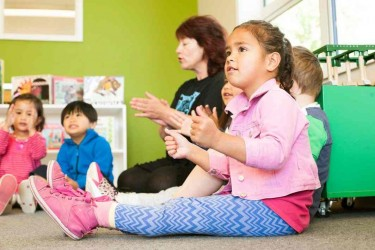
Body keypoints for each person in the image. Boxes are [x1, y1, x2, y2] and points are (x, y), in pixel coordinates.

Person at [29, 20, 320, 239]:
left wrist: (216, 138)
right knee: (179, 201)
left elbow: (273, 155)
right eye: (230, 50)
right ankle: (96, 202)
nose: (230, 57)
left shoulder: (279, 101)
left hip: (279, 209)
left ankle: (89, 214)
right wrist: (193, 149)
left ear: (272, 61)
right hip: (254, 198)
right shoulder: (245, 107)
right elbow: (230, 165)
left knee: (181, 212)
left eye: (242, 50)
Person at [85, 80, 242, 205]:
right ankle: (116, 200)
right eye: (226, 82)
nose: (227, 86)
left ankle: (116, 201)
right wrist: (169, 125)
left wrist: (197, 141)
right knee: (166, 195)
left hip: (218, 182)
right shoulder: (187, 88)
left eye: (235, 83)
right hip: (210, 173)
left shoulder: (241, 122)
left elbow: (224, 163)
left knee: (168, 197)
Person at [117, 15, 227, 193]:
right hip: (174, 158)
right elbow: (167, 136)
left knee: (159, 183)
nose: (178, 50)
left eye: (185, 44)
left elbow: (207, 130)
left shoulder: (221, 82)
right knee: (126, 178)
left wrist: (166, 113)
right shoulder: (186, 87)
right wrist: (165, 123)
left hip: (197, 161)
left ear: (206, 43)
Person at [290, 46, 332, 218]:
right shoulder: (302, 116)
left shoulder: (312, 120)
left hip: (301, 205)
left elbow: (302, 167)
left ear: (294, 86)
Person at [0, 93, 46, 214]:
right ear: (10, 115)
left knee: (42, 176)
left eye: (29, 114)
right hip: (5, 186)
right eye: (18, 113)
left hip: (26, 188)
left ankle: (26, 200)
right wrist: (6, 125)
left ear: (38, 119)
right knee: (3, 190)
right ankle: (7, 201)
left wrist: (32, 131)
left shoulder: (37, 138)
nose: (23, 117)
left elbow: (39, 154)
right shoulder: (5, 136)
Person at [55, 101, 114, 190]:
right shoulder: (65, 147)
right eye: (67, 116)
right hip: (72, 189)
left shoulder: (101, 144)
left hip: (98, 188)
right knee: (44, 172)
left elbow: (100, 172)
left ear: (92, 124)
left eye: (78, 115)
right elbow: (62, 170)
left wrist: (78, 184)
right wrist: (67, 182)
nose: (72, 119)